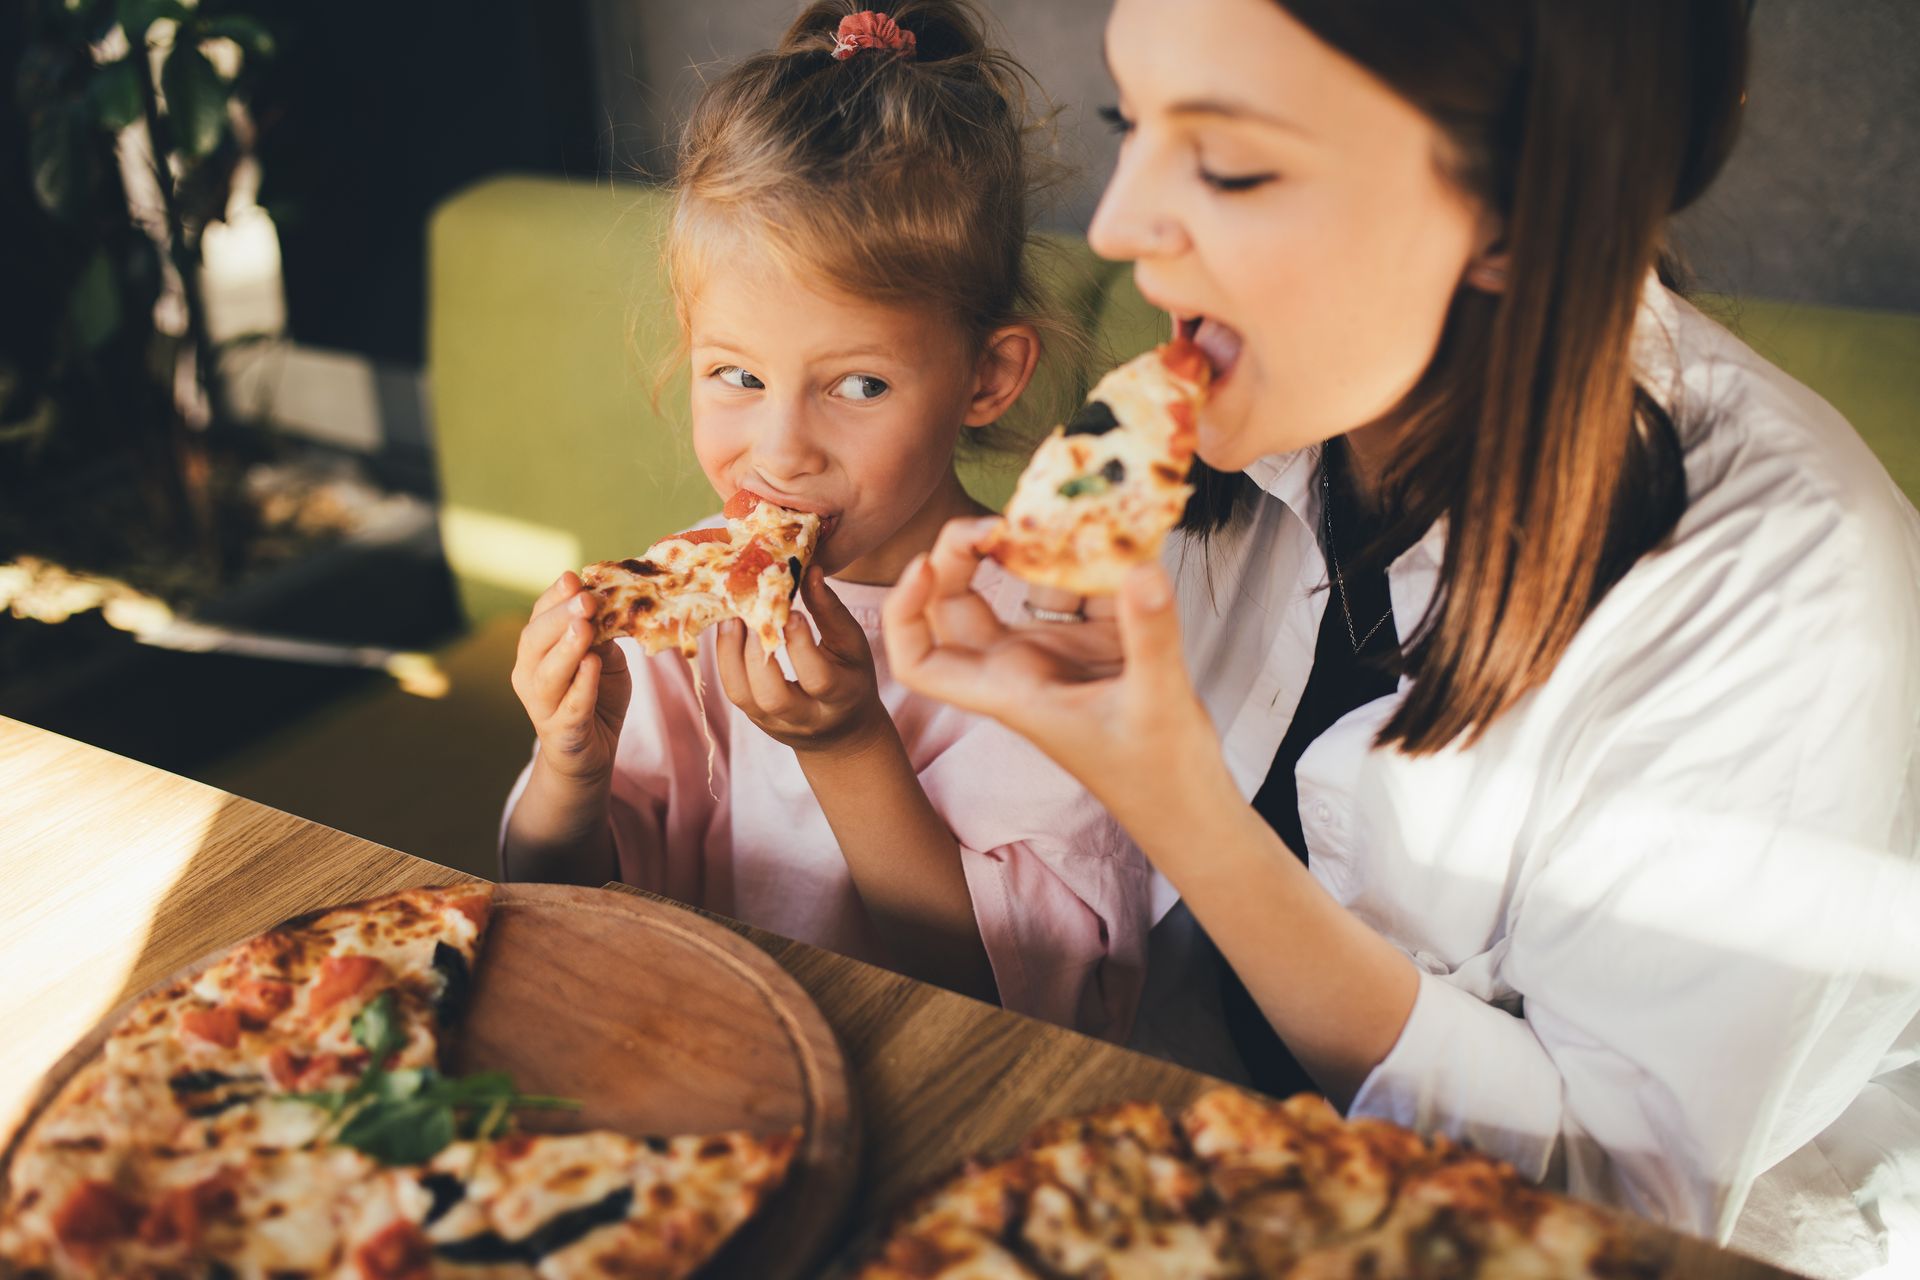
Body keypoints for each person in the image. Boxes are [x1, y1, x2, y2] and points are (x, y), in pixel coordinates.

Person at [881, 1, 1920, 1274]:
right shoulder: (1236, 433)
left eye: (1231, 161)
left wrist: (1185, 813)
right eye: (1131, 123)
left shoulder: (1777, 580)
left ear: (1513, 209)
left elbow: (1612, 1213)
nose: (1116, 226)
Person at [501, 1, 1152, 1041]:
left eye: (857, 385)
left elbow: (1020, 1001)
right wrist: (570, 765)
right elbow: (546, 893)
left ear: (987, 376)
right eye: (738, 375)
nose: (783, 447)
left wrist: (850, 745)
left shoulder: (1055, 635)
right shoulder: (682, 611)